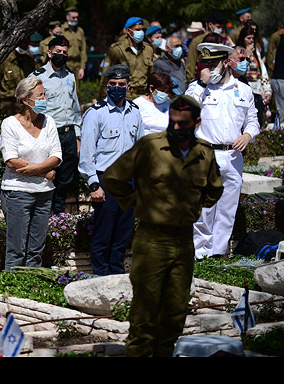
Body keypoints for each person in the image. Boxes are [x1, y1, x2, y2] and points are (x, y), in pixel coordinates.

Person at [101, 94, 223, 357]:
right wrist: (135, 202)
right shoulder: (150, 147)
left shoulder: (204, 153)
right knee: (145, 315)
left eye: (183, 124)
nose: (176, 128)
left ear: (197, 122)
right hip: (151, 240)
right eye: (173, 121)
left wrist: (191, 207)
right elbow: (113, 178)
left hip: (183, 241)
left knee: (175, 313)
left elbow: (214, 190)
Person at [186, 42, 260, 259]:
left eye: (213, 64)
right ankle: (200, 254)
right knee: (204, 210)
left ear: (226, 62)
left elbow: (253, 121)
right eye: (205, 64)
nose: (208, 69)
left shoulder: (243, 90)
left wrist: (248, 135)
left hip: (233, 156)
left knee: (227, 209)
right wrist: (201, 82)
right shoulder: (198, 88)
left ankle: (217, 254)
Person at [78, 64, 145, 276]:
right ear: (107, 85)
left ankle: (116, 273)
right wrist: (93, 184)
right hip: (105, 180)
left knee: (124, 233)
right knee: (103, 233)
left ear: (128, 85)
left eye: (121, 84)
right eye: (113, 84)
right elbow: (87, 153)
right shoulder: (96, 114)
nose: (117, 87)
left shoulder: (135, 112)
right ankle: (101, 274)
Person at [0, 77, 62, 270]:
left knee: (36, 248)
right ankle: (11, 288)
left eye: (44, 95)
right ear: (25, 100)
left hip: (44, 193)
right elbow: (11, 160)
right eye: (40, 95)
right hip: (17, 192)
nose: (44, 98)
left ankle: (32, 286)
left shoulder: (49, 121)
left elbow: (56, 156)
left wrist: (34, 170)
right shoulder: (9, 124)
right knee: (16, 247)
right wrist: (43, 172)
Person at [29, 35, 82, 214]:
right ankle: (45, 211)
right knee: (48, 173)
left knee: (66, 176)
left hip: (68, 134)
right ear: (49, 53)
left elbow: (75, 107)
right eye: (58, 51)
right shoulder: (38, 77)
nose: (62, 55)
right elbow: (30, 106)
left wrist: (78, 135)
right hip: (49, 133)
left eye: (65, 52)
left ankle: (58, 213)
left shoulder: (70, 76)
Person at [100, 17, 155, 100]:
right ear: (128, 31)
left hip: (143, 96)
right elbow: (105, 76)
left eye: (142, 30)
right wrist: (103, 98)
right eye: (137, 29)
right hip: (123, 96)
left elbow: (151, 75)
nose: (141, 32)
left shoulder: (148, 49)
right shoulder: (117, 49)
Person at [0, 38, 36, 117]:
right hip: (7, 107)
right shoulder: (4, 62)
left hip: (25, 106)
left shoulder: (29, 62)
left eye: (27, 43)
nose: (25, 46)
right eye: (23, 43)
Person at [238, 23, 271, 128]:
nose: (251, 41)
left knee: (257, 122)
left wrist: (267, 90)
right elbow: (240, 71)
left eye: (253, 38)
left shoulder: (256, 52)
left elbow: (262, 71)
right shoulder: (237, 52)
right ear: (243, 39)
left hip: (257, 92)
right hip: (243, 92)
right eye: (248, 38)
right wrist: (246, 56)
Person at [185, 10, 231, 83]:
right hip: (202, 79)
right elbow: (191, 64)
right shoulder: (197, 41)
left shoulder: (222, 39)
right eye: (218, 27)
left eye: (222, 27)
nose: (221, 30)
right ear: (210, 25)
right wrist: (191, 82)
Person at [133, 71, 175, 136]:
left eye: (166, 92)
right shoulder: (137, 104)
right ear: (151, 88)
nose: (164, 94)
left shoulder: (168, 106)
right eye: (162, 90)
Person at [60, 7, 88, 85]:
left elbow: (83, 50)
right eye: (73, 17)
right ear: (67, 17)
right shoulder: (61, 30)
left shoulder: (80, 31)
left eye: (77, 17)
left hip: (77, 65)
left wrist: (82, 67)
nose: (75, 19)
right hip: (65, 64)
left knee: (76, 90)